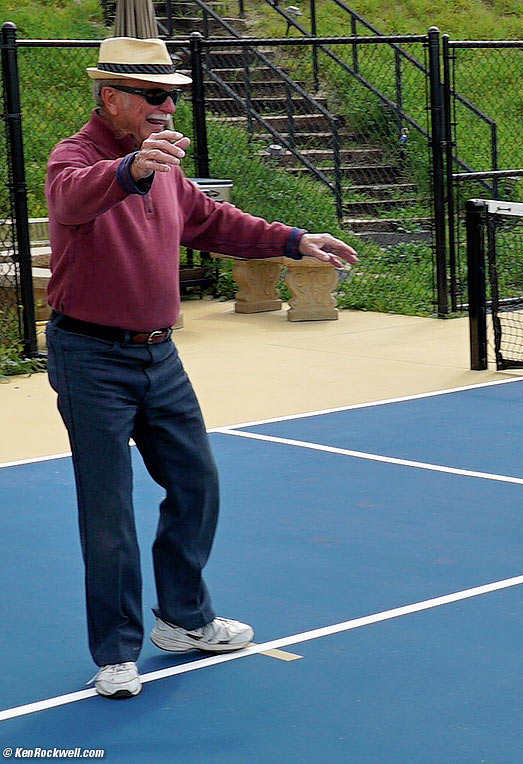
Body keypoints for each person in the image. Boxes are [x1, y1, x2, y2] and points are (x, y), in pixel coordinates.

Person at [44, 37, 358, 699]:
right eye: (154, 95)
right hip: (90, 356)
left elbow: (213, 222)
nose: (166, 105)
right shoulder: (77, 158)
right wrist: (131, 169)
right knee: (108, 513)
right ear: (111, 98)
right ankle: (117, 653)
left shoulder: (167, 168)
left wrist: (296, 239)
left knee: (197, 485)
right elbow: (72, 198)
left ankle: (182, 619)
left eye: (172, 95)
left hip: (160, 353)